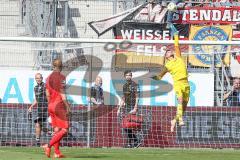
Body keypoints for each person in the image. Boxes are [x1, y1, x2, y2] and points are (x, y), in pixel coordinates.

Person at [152, 27, 190, 132]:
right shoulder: (167, 65)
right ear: (166, 56)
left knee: (184, 107)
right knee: (180, 100)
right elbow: (160, 76)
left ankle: (174, 120)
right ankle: (180, 119)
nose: (169, 51)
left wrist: (176, 35)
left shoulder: (178, 56)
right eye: (167, 52)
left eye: (169, 50)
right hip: (178, 83)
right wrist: (154, 77)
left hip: (186, 83)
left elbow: (176, 45)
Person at [42, 59, 71, 158]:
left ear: (52, 66)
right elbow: (62, 94)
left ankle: (57, 152)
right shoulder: (62, 77)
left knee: (57, 129)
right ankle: (48, 146)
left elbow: (47, 93)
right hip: (58, 105)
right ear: (61, 66)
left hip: (50, 105)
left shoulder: (48, 78)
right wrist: (67, 106)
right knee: (65, 129)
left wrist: (50, 104)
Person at [117, 70, 141, 148]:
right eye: (127, 75)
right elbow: (123, 98)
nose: (128, 76)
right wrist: (119, 108)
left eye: (130, 75)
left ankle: (135, 141)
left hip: (132, 107)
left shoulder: (135, 85)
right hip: (127, 107)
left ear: (131, 76)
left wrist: (135, 107)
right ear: (124, 76)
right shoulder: (124, 86)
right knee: (127, 126)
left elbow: (137, 96)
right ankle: (132, 143)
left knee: (128, 126)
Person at [28, 73, 48, 146]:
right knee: (38, 125)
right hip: (40, 109)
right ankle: (37, 142)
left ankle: (54, 138)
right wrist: (31, 106)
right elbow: (36, 100)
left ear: (42, 78)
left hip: (47, 108)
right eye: (37, 78)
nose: (38, 79)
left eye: (40, 78)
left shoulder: (46, 86)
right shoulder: (35, 88)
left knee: (50, 125)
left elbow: (49, 96)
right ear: (35, 79)